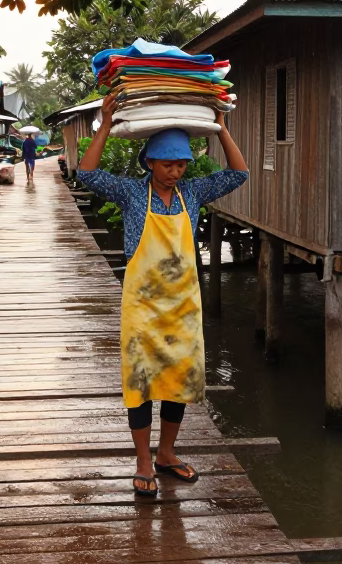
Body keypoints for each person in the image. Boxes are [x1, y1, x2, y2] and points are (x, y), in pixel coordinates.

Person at [78, 92, 248, 497]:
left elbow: (239, 174)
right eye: (168, 164)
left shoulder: (192, 194)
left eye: (181, 164)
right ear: (150, 163)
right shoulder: (133, 194)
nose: (175, 171)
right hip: (142, 307)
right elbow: (87, 174)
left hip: (184, 305)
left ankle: (166, 454)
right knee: (140, 382)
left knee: (179, 380)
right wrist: (104, 123)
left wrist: (220, 128)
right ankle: (142, 460)